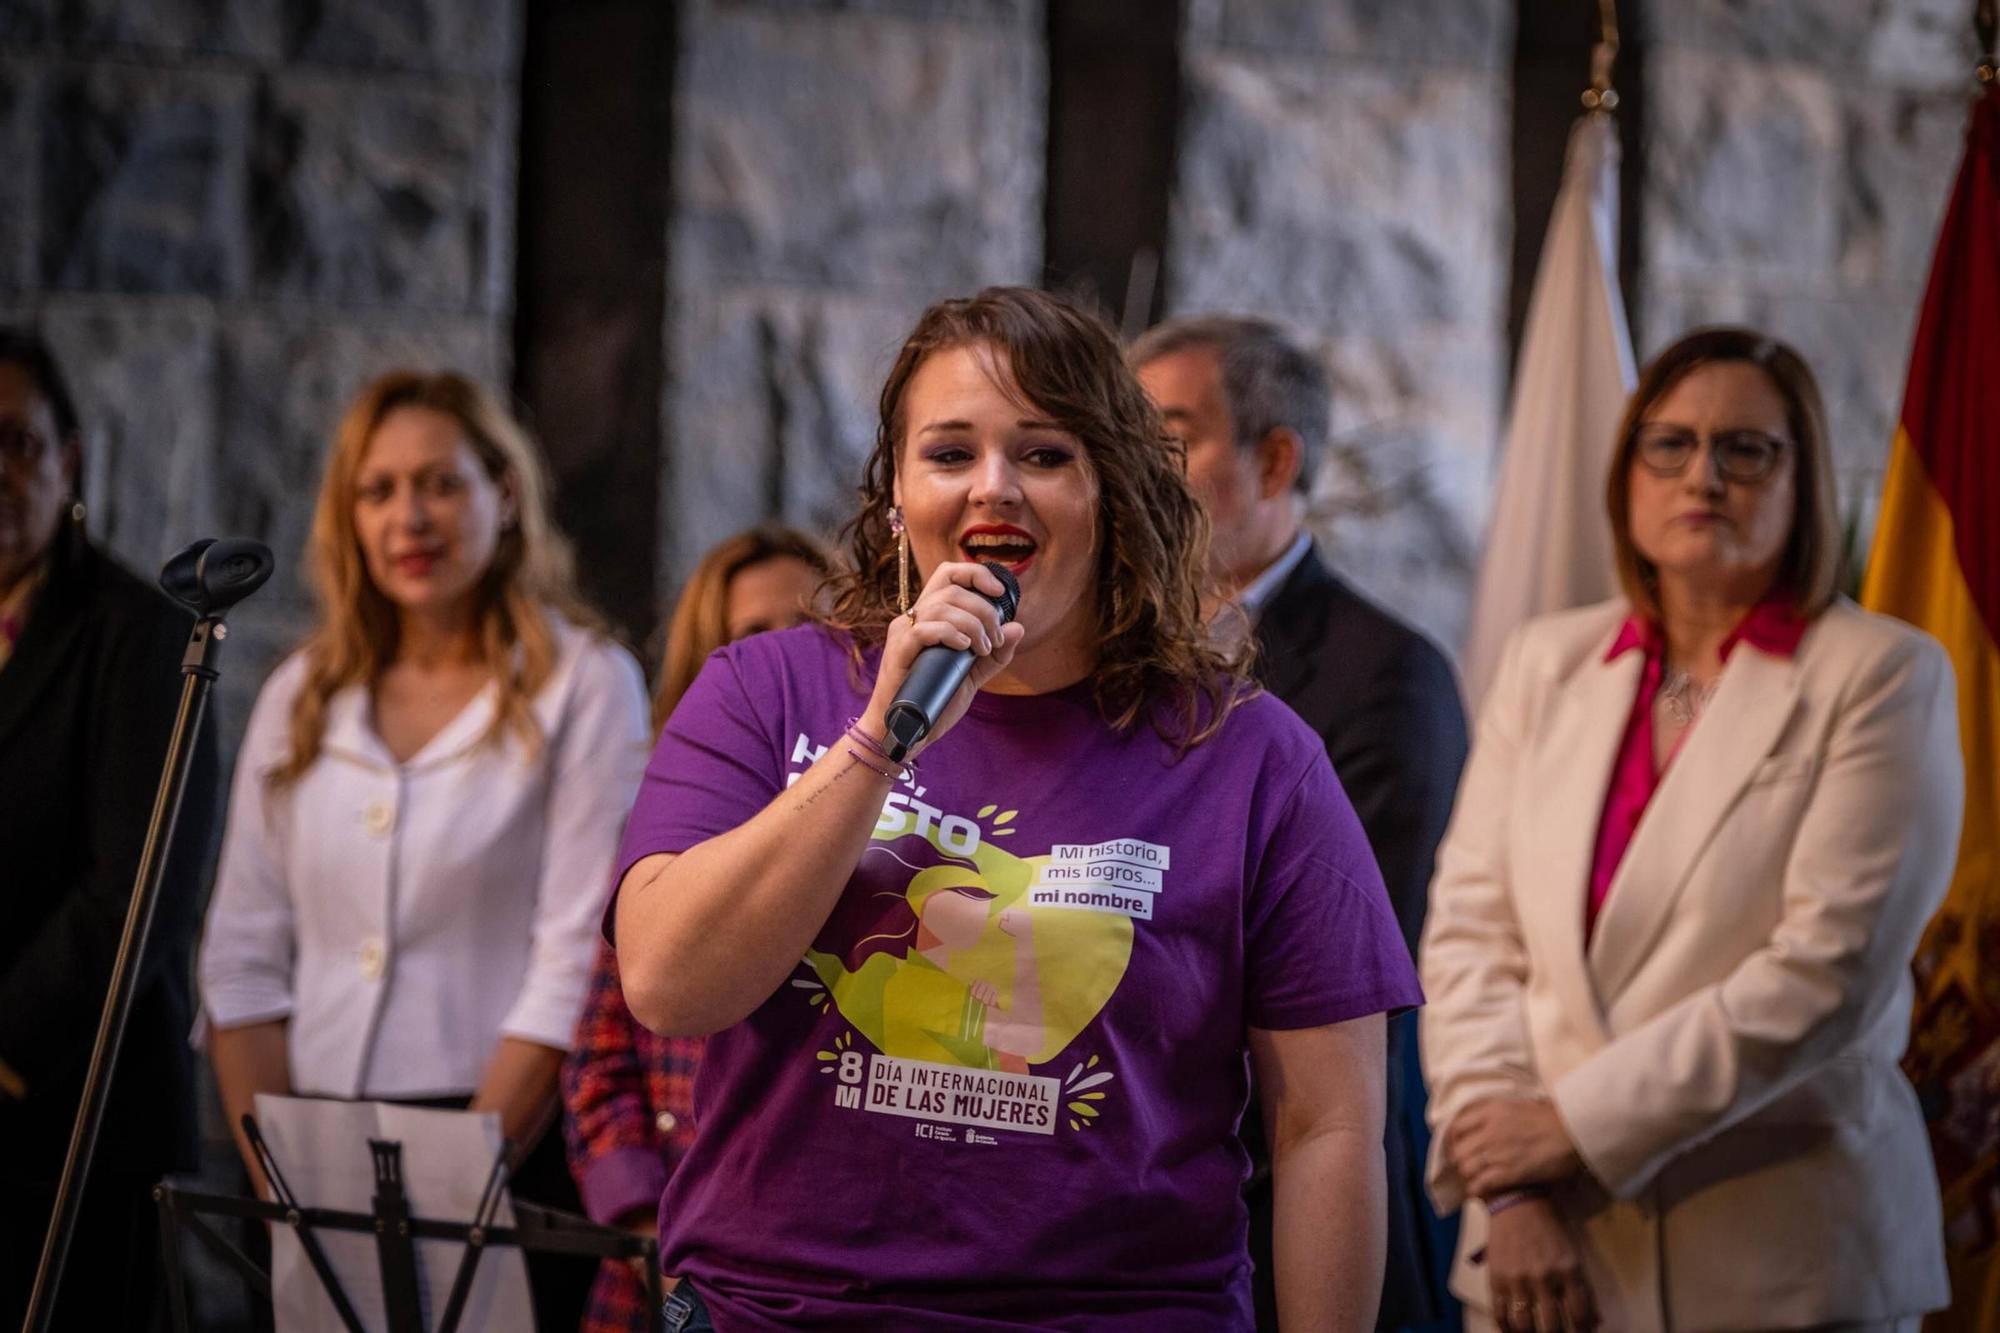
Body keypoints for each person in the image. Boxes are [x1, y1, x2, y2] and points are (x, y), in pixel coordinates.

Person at [610, 286, 1422, 1332]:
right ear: (897, 497)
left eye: (1043, 454)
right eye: (949, 454)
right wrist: (875, 744)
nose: (994, 487)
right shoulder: (761, 694)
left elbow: (1328, 1125)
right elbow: (670, 983)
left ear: (1114, 492)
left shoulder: (1250, 756)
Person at [1420, 327, 1961, 1332]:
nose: (1701, 474)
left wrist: (1567, 1130)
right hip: (1537, 1253)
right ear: (1625, 474)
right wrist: (1512, 1187)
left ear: (1803, 475)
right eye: (1665, 444)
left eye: (1744, 448)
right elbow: (1467, 939)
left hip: (1780, 1262)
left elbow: (1825, 972)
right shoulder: (1546, 661)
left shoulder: (1882, 674)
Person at [198, 369, 650, 1330]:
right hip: (306, 1140)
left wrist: (458, 1178)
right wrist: (286, 1182)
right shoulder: (300, 692)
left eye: (442, 483)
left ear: (506, 492)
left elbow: (578, 953)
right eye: (380, 489)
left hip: (506, 1143)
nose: (412, 516)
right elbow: (240, 960)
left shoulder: (585, 682)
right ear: (350, 517)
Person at [1133, 314, 1469, 1332]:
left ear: (1272, 458)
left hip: (1284, 1196)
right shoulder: (1115, 664)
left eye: (1168, 440)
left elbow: (1342, 971)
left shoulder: (1384, 673)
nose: (1133, 475)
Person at [0, 328, 221, 1328]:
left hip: (75, 1119)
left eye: (20, 443)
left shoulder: (148, 634)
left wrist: (4, 1045)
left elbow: (139, 891)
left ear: (70, 460)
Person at [563, 522, 834, 1333]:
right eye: (751, 636)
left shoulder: (886, 834)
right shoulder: (666, 833)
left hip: (805, 1265)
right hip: (661, 1264)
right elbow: (599, 1058)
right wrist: (641, 1225)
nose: (783, 654)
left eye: (806, 627)